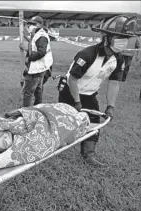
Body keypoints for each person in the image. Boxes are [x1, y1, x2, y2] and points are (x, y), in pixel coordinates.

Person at [57, 15, 136, 167]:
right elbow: (72, 79)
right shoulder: (87, 54)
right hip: (70, 92)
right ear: (106, 38)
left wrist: (110, 106)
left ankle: (88, 155)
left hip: (90, 94)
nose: (123, 41)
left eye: (125, 38)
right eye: (119, 37)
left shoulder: (118, 60)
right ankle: (53, 144)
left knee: (94, 123)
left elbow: (114, 83)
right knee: (65, 122)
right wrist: (77, 102)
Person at [21, 16, 53, 107]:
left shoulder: (41, 36)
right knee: (38, 91)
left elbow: (41, 52)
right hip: (41, 67)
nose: (31, 26)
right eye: (30, 24)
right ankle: (38, 109)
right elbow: (34, 45)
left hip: (37, 68)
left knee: (28, 92)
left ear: (40, 24)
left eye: (33, 24)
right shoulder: (38, 34)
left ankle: (26, 111)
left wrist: (29, 58)